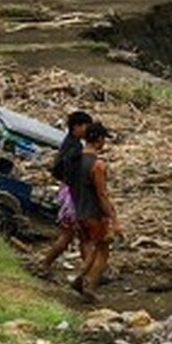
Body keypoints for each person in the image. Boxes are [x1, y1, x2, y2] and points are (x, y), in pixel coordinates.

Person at [39, 111, 94, 273]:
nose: (87, 131)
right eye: (85, 127)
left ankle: (89, 271)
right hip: (73, 194)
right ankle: (44, 265)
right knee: (72, 236)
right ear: (77, 127)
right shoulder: (76, 147)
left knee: (80, 236)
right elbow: (69, 167)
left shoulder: (69, 142)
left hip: (67, 191)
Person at [71, 122, 120, 303]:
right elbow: (102, 194)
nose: (104, 143)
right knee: (102, 252)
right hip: (94, 214)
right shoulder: (97, 165)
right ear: (99, 140)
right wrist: (113, 219)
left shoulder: (74, 160)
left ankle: (79, 279)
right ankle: (89, 288)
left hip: (78, 211)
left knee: (90, 247)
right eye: (104, 139)